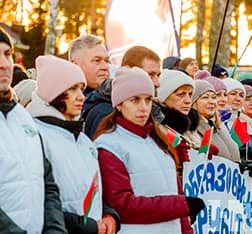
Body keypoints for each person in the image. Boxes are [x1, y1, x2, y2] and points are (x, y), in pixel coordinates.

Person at [93, 68, 205, 233]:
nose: (144, 107)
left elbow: (177, 195)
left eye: (148, 99)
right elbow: (122, 205)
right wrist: (180, 206)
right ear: (119, 104)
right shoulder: (109, 145)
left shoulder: (159, 141)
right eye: (135, 100)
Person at [27, 55, 120, 234]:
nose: (81, 97)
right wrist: (86, 227)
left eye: (82, 89)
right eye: (72, 89)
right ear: (53, 91)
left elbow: (92, 188)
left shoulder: (82, 139)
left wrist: (108, 213)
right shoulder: (36, 135)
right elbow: (38, 200)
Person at [0, 27, 67, 233]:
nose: (4, 65)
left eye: (7, 54)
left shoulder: (23, 117)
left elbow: (47, 183)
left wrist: (55, 229)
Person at [83, 46, 164, 139]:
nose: (157, 83)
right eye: (150, 75)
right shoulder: (106, 113)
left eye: (158, 75)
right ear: (128, 70)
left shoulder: (152, 110)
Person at [192, 79, 240, 162]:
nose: (212, 102)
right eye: (205, 97)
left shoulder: (217, 126)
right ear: (194, 102)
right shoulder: (192, 129)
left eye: (214, 97)